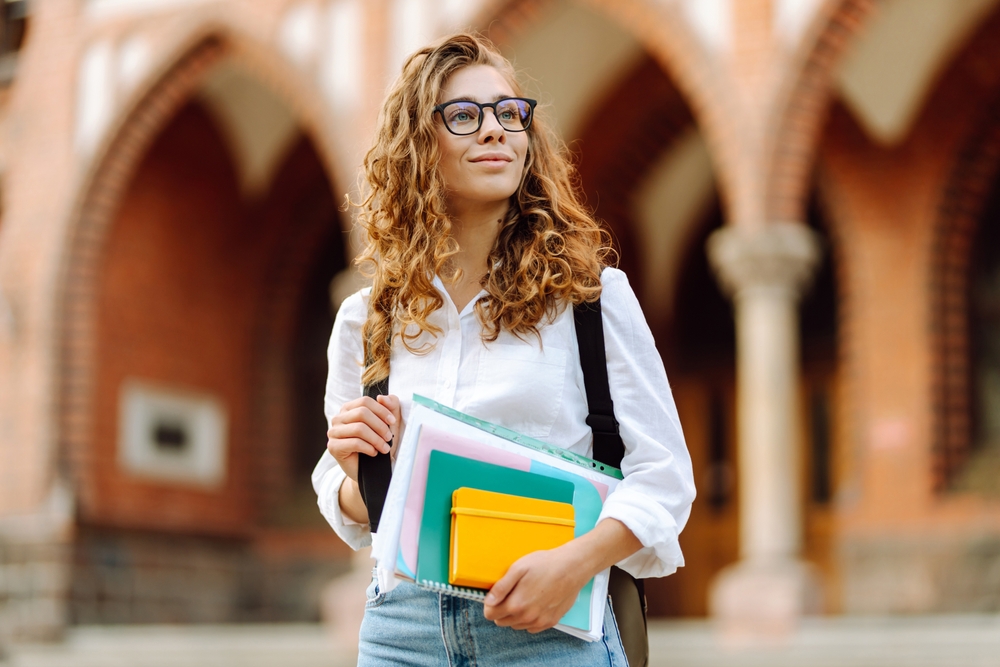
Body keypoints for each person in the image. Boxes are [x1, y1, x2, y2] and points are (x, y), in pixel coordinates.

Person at [312, 32, 695, 666]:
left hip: (549, 632)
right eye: (463, 115)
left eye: (509, 112)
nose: (495, 130)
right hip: (401, 633)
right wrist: (359, 467)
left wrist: (573, 567)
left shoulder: (590, 299)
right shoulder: (368, 318)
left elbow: (664, 479)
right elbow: (351, 503)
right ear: (416, 148)